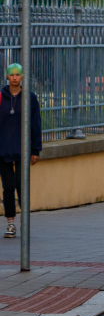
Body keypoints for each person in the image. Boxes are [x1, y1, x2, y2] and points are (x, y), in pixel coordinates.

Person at [0, 64, 41, 238]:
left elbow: (36, 124)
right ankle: (10, 224)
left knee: (21, 185)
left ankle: (25, 222)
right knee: (8, 187)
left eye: (18, 74)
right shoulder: (1, 97)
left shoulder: (30, 98)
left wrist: (36, 149)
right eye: (12, 75)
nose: (15, 77)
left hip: (23, 149)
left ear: (22, 76)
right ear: (7, 77)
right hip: (3, 149)